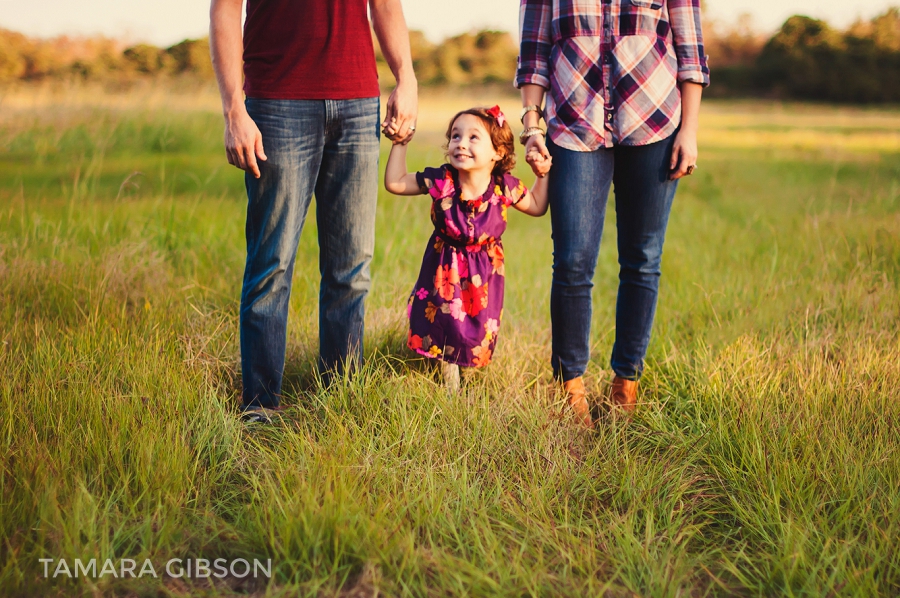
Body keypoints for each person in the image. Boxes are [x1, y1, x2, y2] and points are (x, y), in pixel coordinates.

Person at [209, 0, 418, 422]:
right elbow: (225, 10)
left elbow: (386, 5)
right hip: (277, 102)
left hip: (358, 102)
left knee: (352, 268)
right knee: (272, 264)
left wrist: (406, 77)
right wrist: (234, 107)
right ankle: (261, 407)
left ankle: (340, 401)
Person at [516, 0, 710, 426]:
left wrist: (690, 131)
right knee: (571, 261)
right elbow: (533, 55)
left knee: (642, 259)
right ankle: (571, 388)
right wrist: (532, 128)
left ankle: (626, 383)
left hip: (654, 121)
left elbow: (691, 51)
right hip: (571, 125)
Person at [384, 106, 551, 391]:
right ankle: (449, 381)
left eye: (474, 137)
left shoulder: (503, 188)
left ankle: (465, 374)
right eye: (455, 136)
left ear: (497, 152)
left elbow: (537, 205)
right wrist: (400, 143)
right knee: (441, 322)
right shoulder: (442, 181)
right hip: (443, 266)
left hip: (483, 273)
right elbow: (395, 183)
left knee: (475, 327)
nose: (461, 143)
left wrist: (542, 174)